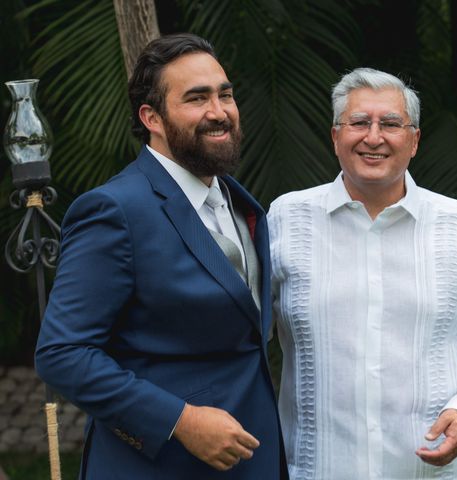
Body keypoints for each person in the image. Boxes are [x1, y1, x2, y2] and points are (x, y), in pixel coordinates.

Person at [35, 33, 287, 479]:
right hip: (155, 466)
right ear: (151, 116)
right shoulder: (115, 210)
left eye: (224, 94)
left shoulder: (242, 204)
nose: (219, 111)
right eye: (197, 98)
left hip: (251, 462)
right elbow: (63, 353)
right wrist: (179, 420)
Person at [268, 67, 457, 479]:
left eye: (390, 123)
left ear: (414, 140)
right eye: (358, 123)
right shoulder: (286, 220)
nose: (373, 137)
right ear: (336, 137)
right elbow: (244, 333)